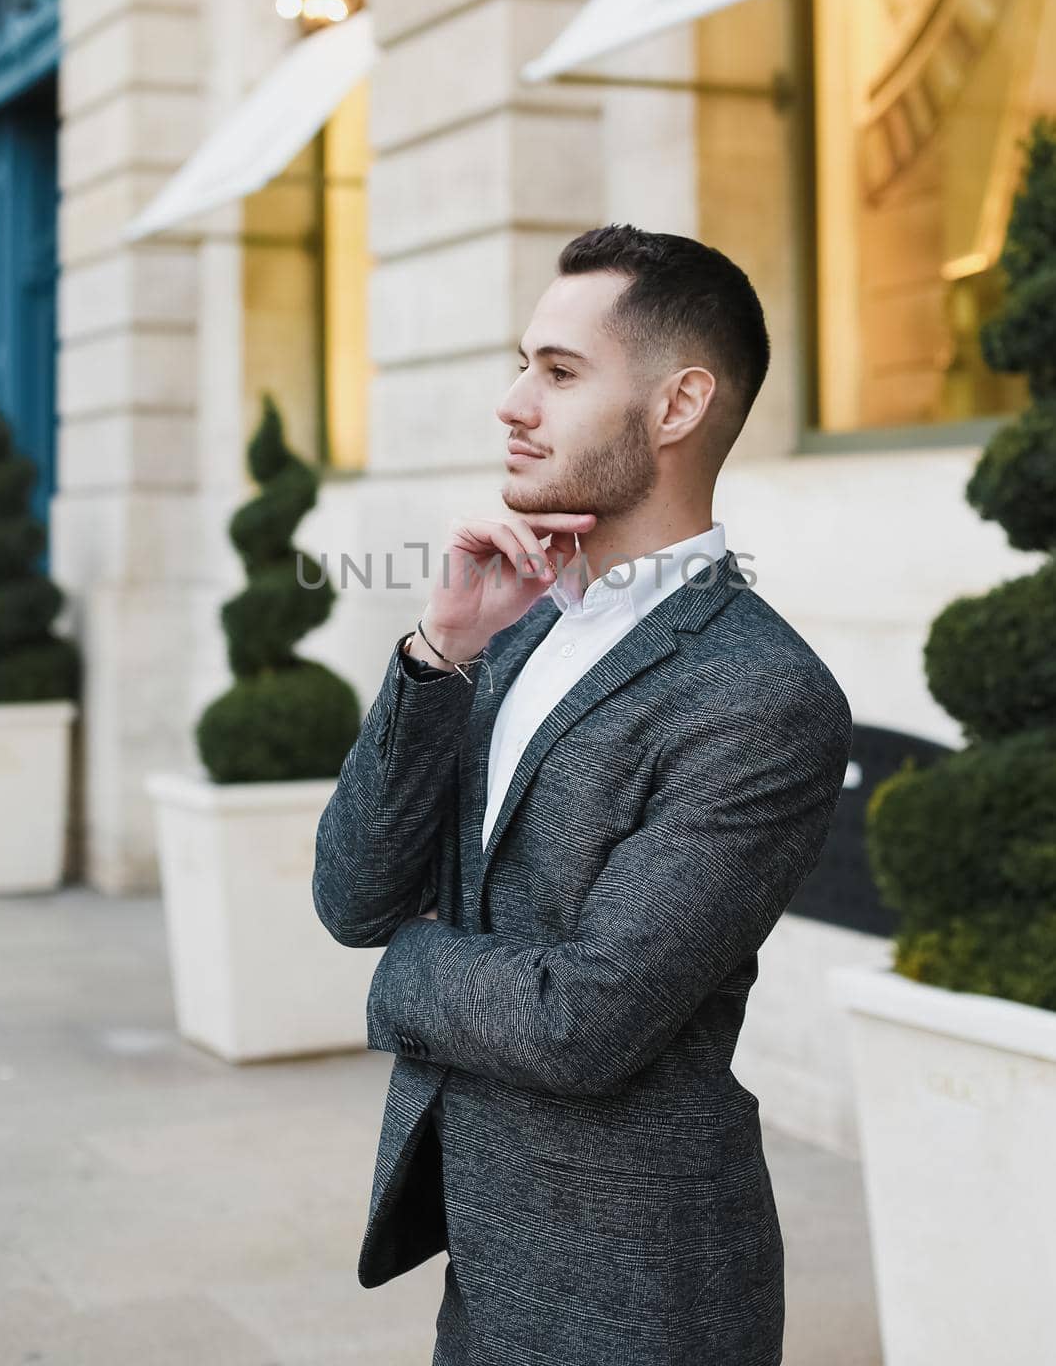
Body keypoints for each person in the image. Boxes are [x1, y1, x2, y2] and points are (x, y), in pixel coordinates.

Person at [313, 223, 853, 1365]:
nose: (512, 403)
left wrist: (414, 964)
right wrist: (438, 649)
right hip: (485, 1259)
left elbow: (585, 1017)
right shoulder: (508, 628)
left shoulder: (760, 693)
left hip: (636, 1289)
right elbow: (353, 895)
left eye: (558, 374)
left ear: (674, 406)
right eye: (521, 365)